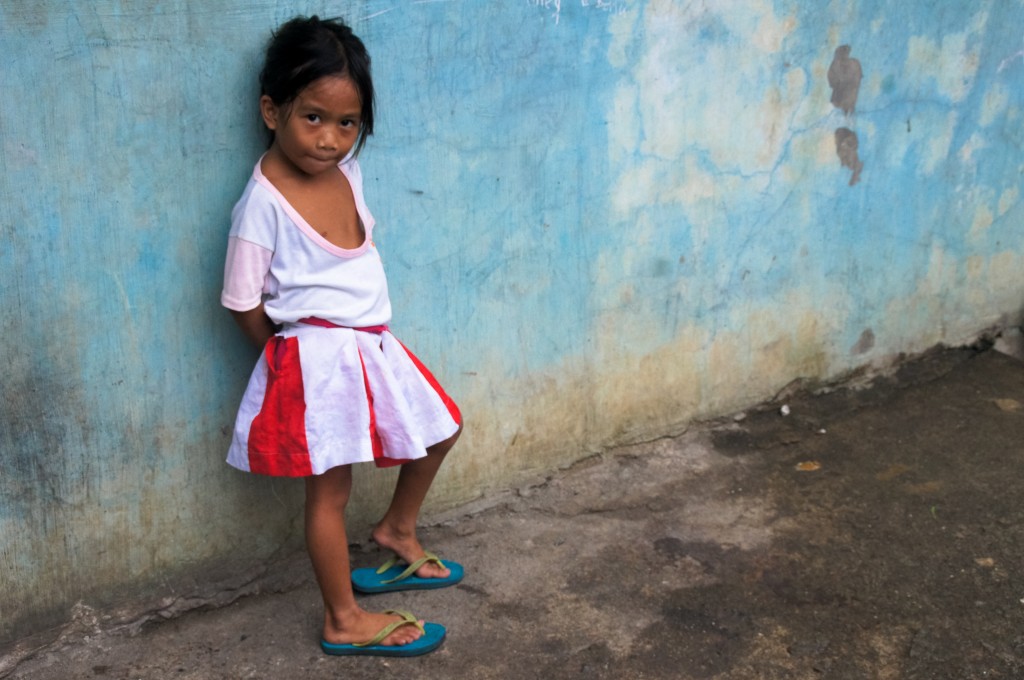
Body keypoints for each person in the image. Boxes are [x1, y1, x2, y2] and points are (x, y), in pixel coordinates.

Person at [220, 15, 463, 658]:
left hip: (373, 345)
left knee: (442, 428)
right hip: (318, 355)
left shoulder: (348, 173)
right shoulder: (262, 204)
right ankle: (342, 616)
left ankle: (397, 532)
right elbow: (242, 302)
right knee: (330, 490)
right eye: (313, 118)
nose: (329, 140)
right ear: (272, 110)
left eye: (346, 123)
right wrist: (285, 363)